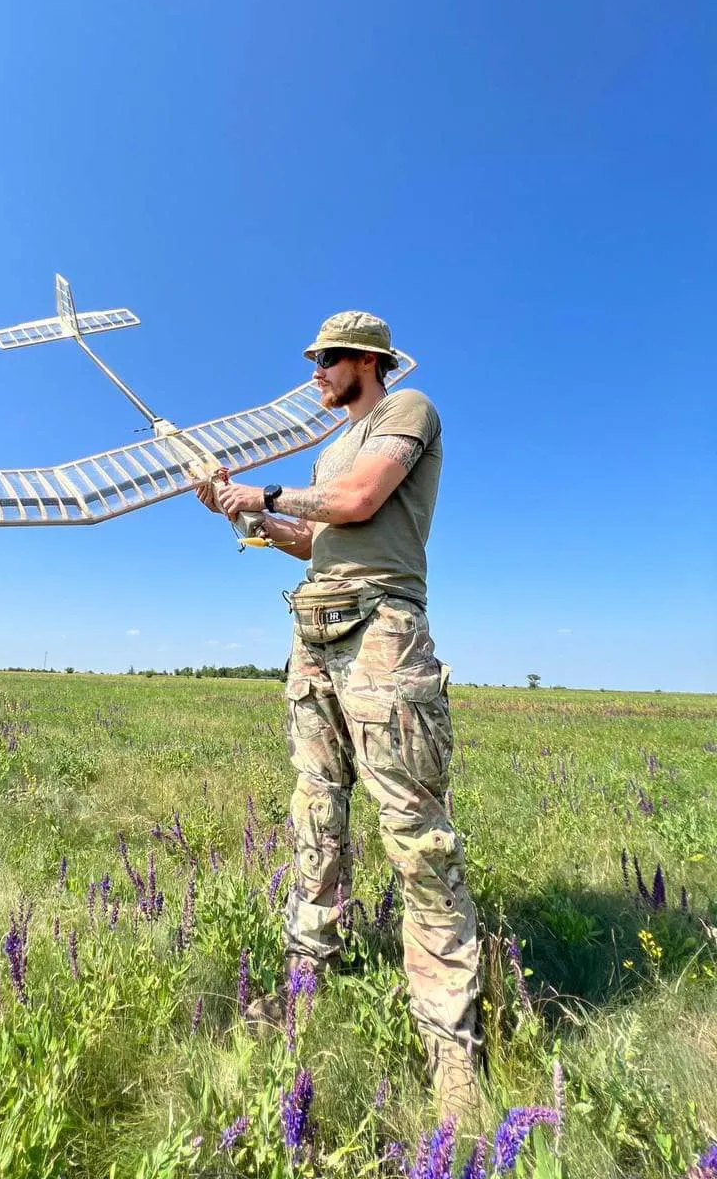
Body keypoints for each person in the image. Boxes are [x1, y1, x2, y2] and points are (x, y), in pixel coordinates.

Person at [195, 311, 482, 1115]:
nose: (314, 373)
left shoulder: (407, 411)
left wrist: (270, 488)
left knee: (415, 834)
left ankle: (451, 1046)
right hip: (314, 631)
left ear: (366, 361)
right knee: (315, 812)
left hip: (381, 630)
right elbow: (312, 536)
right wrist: (245, 514)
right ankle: (305, 984)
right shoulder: (328, 447)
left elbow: (356, 501)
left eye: (324, 360)